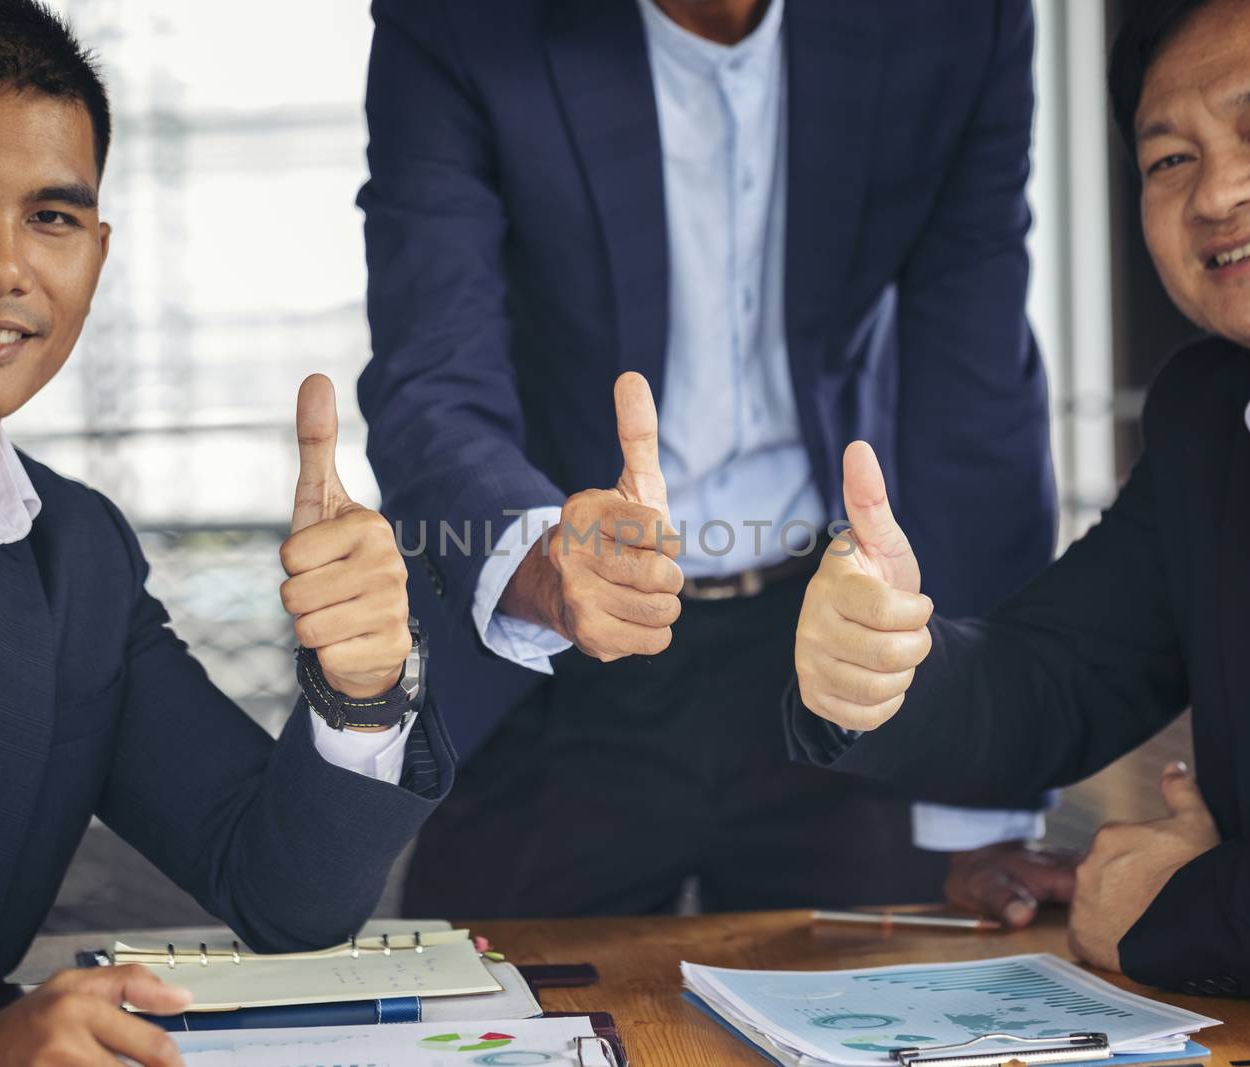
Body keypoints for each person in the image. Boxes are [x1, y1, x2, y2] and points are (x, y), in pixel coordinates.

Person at [787, 0, 1250, 1061]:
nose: (1216, 192)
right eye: (1168, 158)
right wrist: (879, 668)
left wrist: (1161, 910)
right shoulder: (1213, 411)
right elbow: (1058, 673)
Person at [0, 2, 450, 1065]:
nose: (2, 265)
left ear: (97, 253)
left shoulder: (75, 553)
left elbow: (283, 894)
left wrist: (362, 690)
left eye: (53, 218)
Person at [358, 0, 1072, 920]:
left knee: (898, 1025)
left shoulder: (952, 24)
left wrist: (982, 798)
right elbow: (434, 373)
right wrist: (543, 567)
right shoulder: (459, 24)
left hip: (830, 643)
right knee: (484, 1025)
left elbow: (974, 397)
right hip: (564, 640)